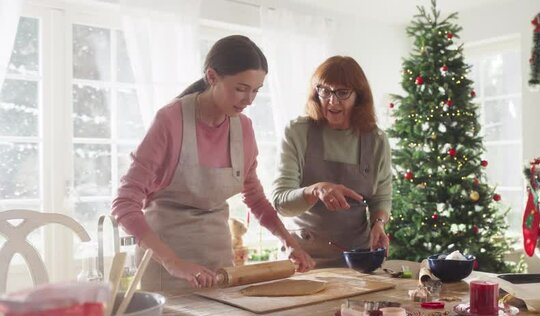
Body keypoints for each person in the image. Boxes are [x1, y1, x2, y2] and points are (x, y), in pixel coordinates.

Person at [112, 35, 315, 290]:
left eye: (256, 90)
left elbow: (254, 197)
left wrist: (289, 243)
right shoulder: (170, 121)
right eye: (241, 88)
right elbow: (124, 203)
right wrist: (173, 261)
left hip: (219, 265)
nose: (249, 100)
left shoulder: (244, 128)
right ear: (212, 77)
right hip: (166, 268)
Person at [272, 56, 392, 268]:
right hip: (303, 259)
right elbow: (281, 203)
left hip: (357, 261)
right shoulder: (298, 132)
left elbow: (381, 196)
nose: (332, 101)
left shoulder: (376, 140)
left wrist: (379, 223)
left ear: (359, 96)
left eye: (342, 93)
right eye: (325, 91)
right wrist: (315, 190)